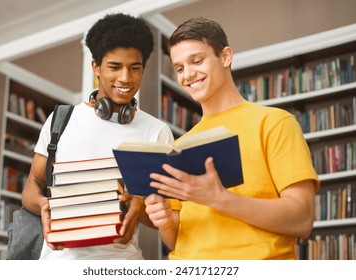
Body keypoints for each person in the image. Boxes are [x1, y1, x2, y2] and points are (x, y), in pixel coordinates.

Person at [144, 17, 320, 260]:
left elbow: (302, 219)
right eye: (180, 68)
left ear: (226, 56)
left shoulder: (274, 123)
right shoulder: (179, 146)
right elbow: (175, 240)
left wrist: (219, 199)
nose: (188, 75)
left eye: (197, 61)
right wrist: (164, 221)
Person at [21, 13, 174, 260]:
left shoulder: (156, 132)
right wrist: (44, 205)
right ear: (96, 67)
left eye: (135, 68)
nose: (126, 78)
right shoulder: (61, 119)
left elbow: (160, 217)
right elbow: (32, 186)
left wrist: (138, 204)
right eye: (115, 67)